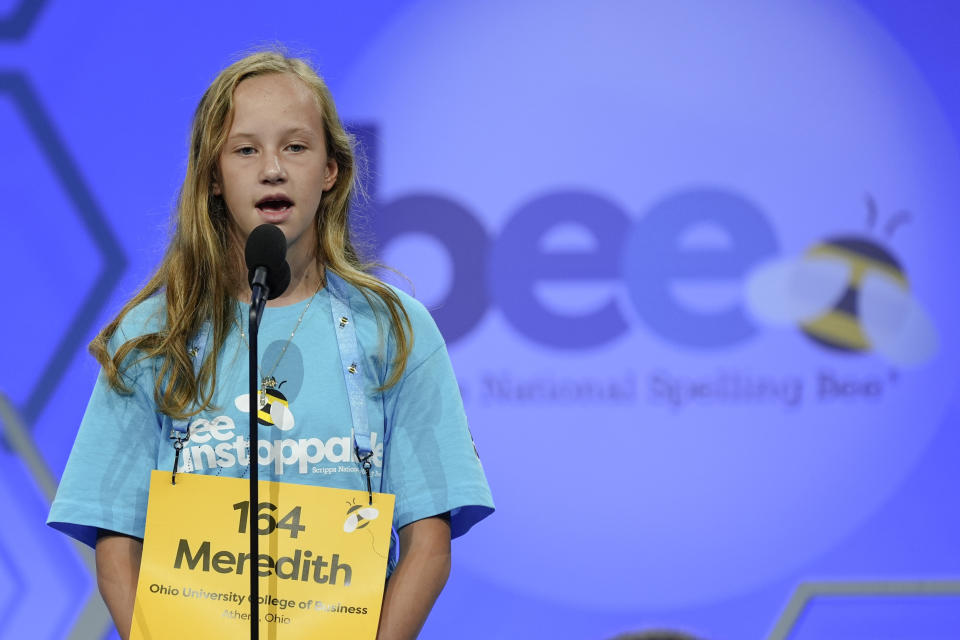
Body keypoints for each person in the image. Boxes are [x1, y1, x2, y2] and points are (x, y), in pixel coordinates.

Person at [47, 50, 494, 640]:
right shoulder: (155, 336)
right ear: (212, 175)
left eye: (296, 147)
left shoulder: (393, 329)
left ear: (331, 170)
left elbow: (429, 544)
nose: (273, 170)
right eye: (246, 149)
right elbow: (115, 545)